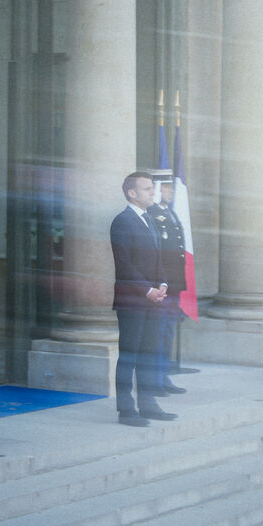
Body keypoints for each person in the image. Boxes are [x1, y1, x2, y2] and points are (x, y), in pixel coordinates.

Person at [109, 170, 174, 426]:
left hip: (153, 300)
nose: (153, 193)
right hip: (132, 301)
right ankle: (126, 410)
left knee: (148, 354)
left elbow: (157, 260)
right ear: (131, 193)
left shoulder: (150, 219)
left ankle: (148, 404)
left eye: (152, 188)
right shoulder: (122, 221)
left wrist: (163, 284)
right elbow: (124, 264)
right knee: (129, 355)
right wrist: (147, 290)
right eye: (147, 189)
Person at [148, 170, 188, 396]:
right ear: (157, 189)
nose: (171, 191)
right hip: (162, 285)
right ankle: (154, 380)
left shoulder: (169, 213)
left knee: (167, 332)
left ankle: (163, 376)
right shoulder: (152, 214)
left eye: (171, 187)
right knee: (157, 333)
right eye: (167, 187)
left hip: (174, 284)